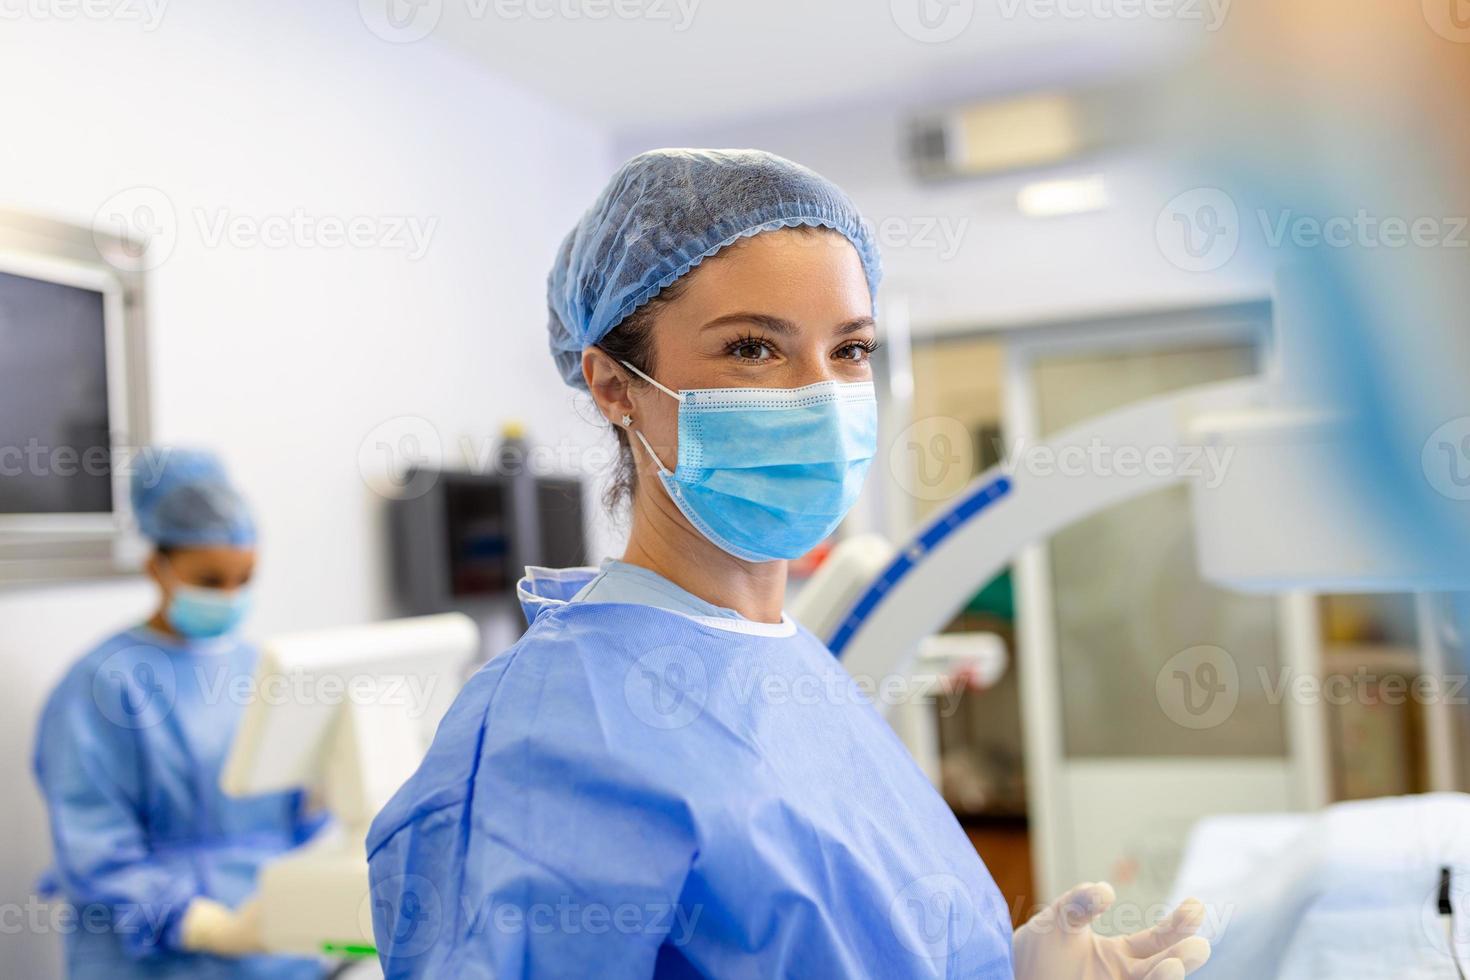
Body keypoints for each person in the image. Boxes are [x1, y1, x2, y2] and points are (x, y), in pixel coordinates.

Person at [367, 148, 1212, 978]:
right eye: (752, 349)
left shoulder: (790, 664)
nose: (820, 394)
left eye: (849, 350)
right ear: (614, 387)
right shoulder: (551, 729)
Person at [33, 449, 326, 979]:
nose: (231, 596)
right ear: (157, 567)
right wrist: (197, 924)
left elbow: (284, 822)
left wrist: (322, 796)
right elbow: (93, 844)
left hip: (275, 951)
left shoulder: (261, 668)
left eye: (245, 578)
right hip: (156, 958)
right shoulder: (103, 683)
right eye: (211, 581)